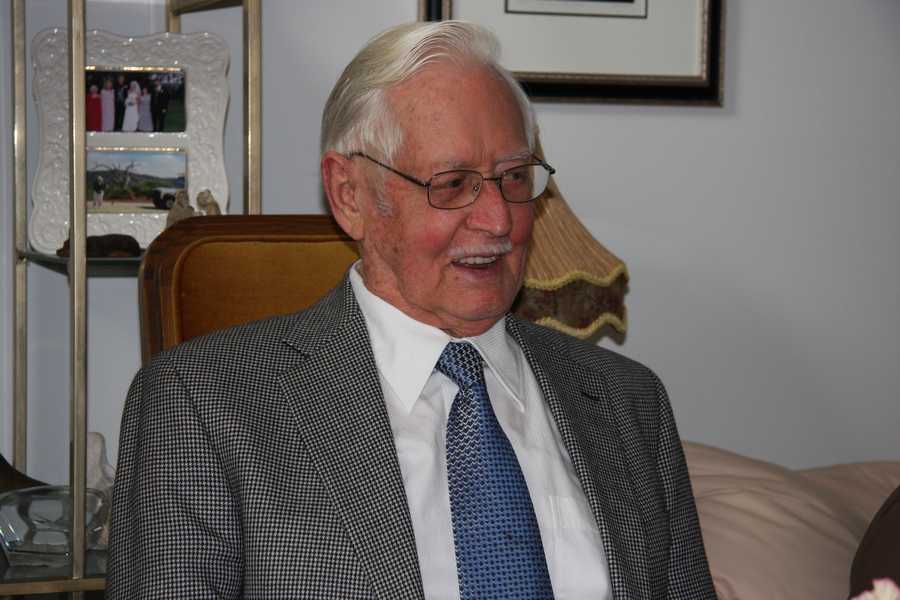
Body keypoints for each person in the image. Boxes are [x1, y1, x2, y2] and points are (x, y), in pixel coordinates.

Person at [108, 21, 716, 600]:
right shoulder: (202, 404)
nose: (498, 220)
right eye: (451, 184)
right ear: (350, 195)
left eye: (514, 178)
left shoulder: (628, 402)